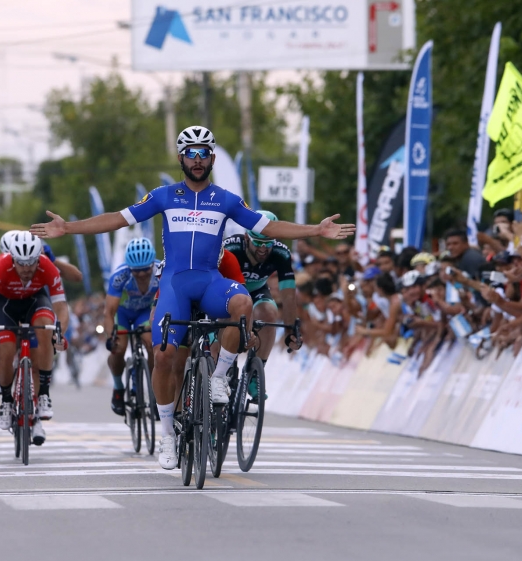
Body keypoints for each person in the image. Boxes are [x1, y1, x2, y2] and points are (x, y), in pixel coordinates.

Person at [29, 125, 355, 470]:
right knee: (164, 357)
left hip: (210, 281)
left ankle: (218, 379)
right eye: (190, 153)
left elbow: (268, 227)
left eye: (203, 153)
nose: (197, 160)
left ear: (212, 158)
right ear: (181, 158)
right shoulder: (163, 196)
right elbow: (117, 219)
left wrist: (315, 230)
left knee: (243, 303)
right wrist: (69, 228)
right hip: (175, 285)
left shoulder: (226, 199)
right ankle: (168, 435)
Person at [0, 232, 69, 446]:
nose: (27, 269)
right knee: (6, 349)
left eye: (31, 263)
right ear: (12, 259)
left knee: (47, 328)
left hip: (35, 302)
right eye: (21, 264)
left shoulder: (47, 267)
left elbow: (61, 307)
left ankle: (43, 394)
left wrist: (59, 333)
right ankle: (6, 401)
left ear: (39, 258)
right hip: (6, 306)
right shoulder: (0, 267)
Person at [222, 210, 302, 368]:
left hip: (257, 290)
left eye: (269, 243)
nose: (263, 248)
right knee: (225, 320)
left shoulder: (281, 253)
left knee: (269, 313)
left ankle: (257, 368)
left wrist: (290, 331)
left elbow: (288, 297)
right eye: (258, 242)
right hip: (228, 291)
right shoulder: (231, 248)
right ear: (246, 238)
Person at [104, 238, 159, 415]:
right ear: (129, 268)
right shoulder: (120, 276)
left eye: (146, 269)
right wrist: (110, 337)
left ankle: (155, 391)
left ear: (153, 264)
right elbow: (109, 312)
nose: (141, 274)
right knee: (118, 348)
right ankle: (118, 388)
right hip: (123, 313)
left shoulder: (161, 271)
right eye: (136, 271)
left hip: (145, 313)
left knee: (152, 345)